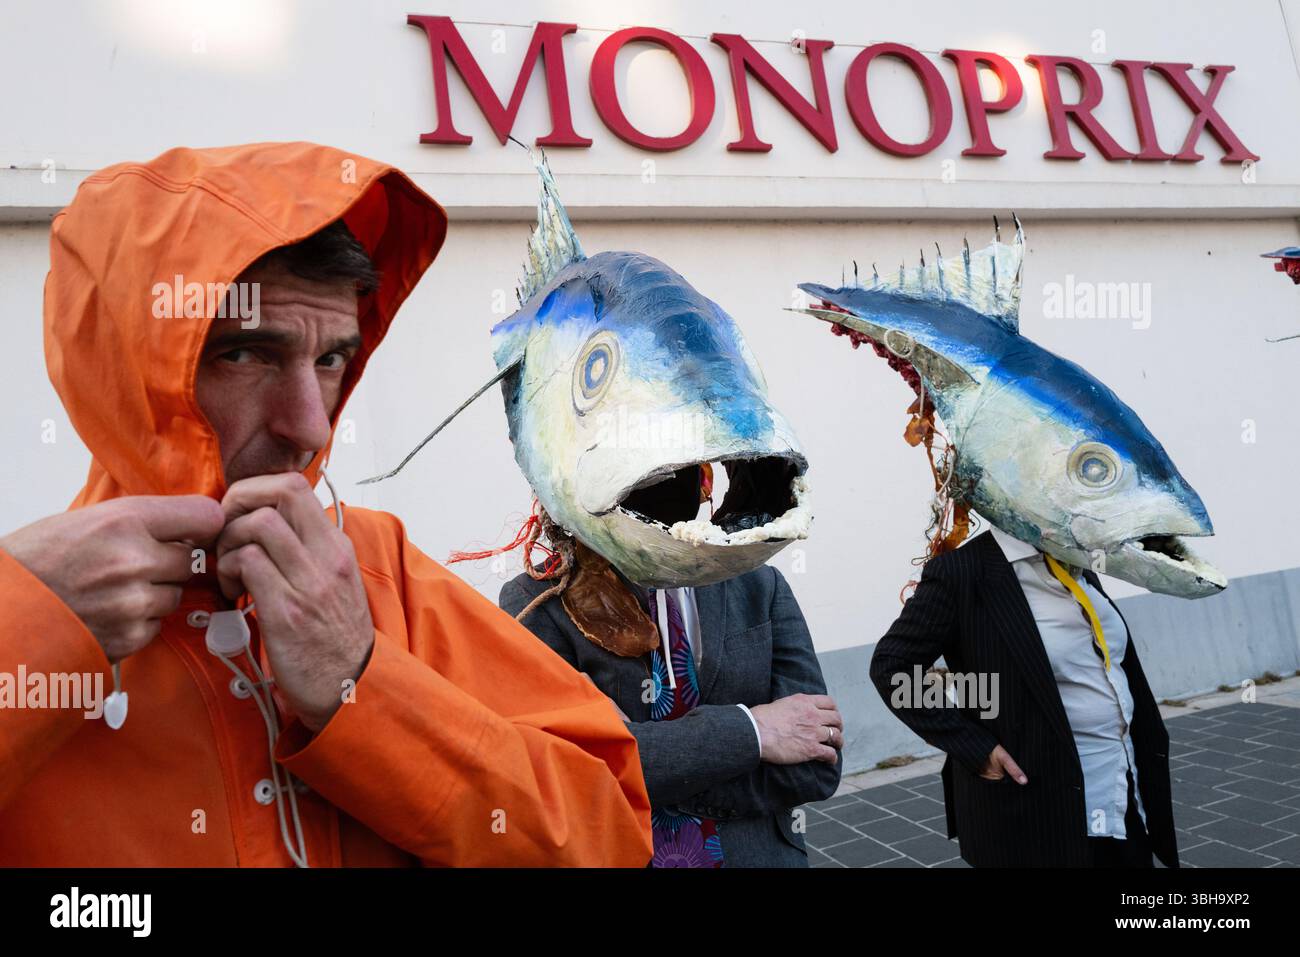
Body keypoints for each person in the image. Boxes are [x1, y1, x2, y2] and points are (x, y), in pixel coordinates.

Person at [0, 142, 652, 867]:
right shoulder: (28, 615)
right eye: (245, 354)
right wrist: (25, 629)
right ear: (123, 364)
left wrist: (362, 681)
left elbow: (613, 835)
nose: (309, 425)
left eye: (331, 359)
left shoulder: (378, 569)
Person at [501, 467, 843, 867]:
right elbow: (572, 774)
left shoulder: (758, 585)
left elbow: (817, 767)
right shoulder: (537, 602)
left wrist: (648, 760)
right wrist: (754, 733)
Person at [870, 524, 1178, 867]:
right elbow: (893, 670)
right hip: (1040, 813)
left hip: (1121, 792)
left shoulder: (1073, 556)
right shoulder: (962, 571)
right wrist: (974, 746)